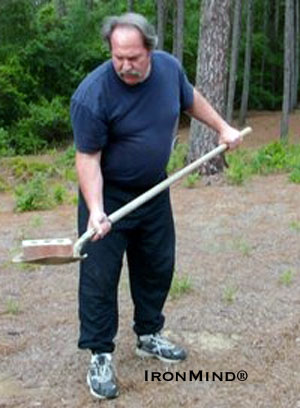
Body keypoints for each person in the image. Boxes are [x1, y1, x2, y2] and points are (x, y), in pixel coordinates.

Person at [70, 12, 241, 400]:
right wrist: (96, 210)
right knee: (99, 277)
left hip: (154, 189)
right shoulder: (93, 94)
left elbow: (189, 97)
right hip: (109, 198)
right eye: (118, 58)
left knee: (157, 266)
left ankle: (149, 334)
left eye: (133, 57)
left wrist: (222, 127)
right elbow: (88, 159)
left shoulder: (168, 69)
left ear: (150, 48)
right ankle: (99, 353)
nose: (125, 66)